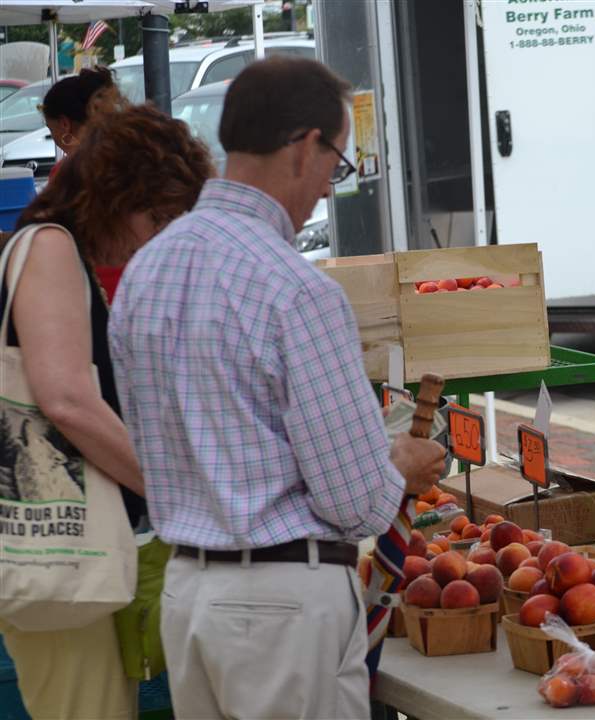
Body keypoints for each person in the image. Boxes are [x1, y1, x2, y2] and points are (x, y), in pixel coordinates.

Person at [108, 57, 447, 719]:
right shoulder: (296, 289)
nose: (328, 188)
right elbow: (355, 505)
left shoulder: (146, 272)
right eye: (337, 163)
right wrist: (398, 467)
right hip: (282, 603)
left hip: (187, 589)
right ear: (304, 146)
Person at [0, 104, 214, 719]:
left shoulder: (54, 249)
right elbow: (67, 399)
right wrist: (175, 490)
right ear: (117, 195)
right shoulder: (50, 248)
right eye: (159, 215)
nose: (159, 235)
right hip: (61, 558)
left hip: (64, 558)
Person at [39, 66, 129, 301]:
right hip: (139, 288)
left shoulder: (68, 173)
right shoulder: (131, 159)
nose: (57, 141)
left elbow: (51, 236)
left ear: (64, 125)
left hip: (98, 294)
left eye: (51, 130)